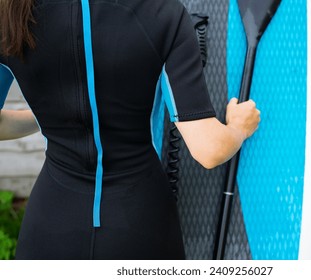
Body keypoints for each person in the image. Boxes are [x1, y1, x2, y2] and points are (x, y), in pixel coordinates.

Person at [0, 0, 260, 259]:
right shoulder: (161, 12)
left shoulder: (10, 15)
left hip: (49, 225)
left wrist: (49, 115)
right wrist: (239, 127)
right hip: (140, 224)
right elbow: (209, 149)